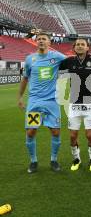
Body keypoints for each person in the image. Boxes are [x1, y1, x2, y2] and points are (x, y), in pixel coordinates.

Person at [17, 32, 66, 173]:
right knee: (31, 132)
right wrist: (20, 97)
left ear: (49, 43)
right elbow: (25, 79)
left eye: (44, 39)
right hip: (35, 102)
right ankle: (33, 161)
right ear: (36, 42)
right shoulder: (29, 59)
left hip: (52, 101)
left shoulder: (56, 57)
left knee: (55, 132)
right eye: (38, 39)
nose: (41, 41)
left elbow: (72, 61)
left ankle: (54, 160)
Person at [59, 38, 91, 172]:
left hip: (90, 103)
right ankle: (76, 159)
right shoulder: (69, 61)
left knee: (89, 135)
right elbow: (57, 68)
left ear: (87, 47)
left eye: (82, 44)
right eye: (77, 44)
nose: (79, 46)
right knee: (72, 136)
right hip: (74, 103)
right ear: (74, 47)